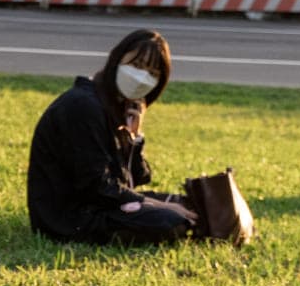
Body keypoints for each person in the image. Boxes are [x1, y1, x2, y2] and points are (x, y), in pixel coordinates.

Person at [27, 31, 199, 246]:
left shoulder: (113, 104)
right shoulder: (83, 106)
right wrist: (156, 206)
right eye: (136, 66)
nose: (142, 77)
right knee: (170, 220)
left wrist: (135, 138)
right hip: (72, 216)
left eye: (152, 73)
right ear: (117, 59)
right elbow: (96, 185)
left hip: (101, 203)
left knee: (190, 206)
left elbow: (138, 178)